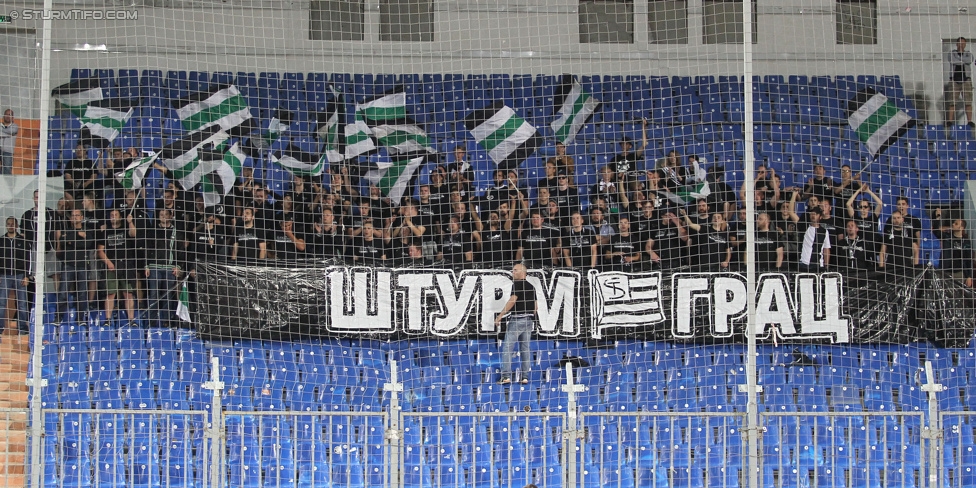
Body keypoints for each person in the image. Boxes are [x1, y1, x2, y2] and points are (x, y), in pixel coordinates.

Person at [141, 208, 185, 325]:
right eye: (161, 214)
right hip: (154, 267)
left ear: (171, 216)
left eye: (166, 214)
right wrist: (146, 266)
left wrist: (178, 267)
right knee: (154, 295)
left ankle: (167, 321)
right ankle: (151, 322)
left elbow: (180, 251)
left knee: (168, 296)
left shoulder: (177, 232)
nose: (163, 216)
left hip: (169, 268)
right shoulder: (152, 231)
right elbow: (147, 249)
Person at [495, 263, 536, 385]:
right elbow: (535, 307)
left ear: (523, 272)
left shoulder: (517, 284)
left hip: (517, 319)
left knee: (507, 348)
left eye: (515, 270)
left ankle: (506, 376)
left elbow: (513, 300)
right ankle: (525, 377)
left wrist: (500, 315)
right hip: (529, 320)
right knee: (525, 349)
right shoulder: (532, 287)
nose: (513, 272)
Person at [97, 209, 138, 325]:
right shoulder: (105, 232)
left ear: (120, 217)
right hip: (111, 265)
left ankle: (131, 320)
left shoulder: (126, 228)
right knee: (110, 293)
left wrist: (130, 222)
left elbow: (133, 234)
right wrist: (108, 263)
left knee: (128, 293)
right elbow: (100, 251)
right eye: (111, 215)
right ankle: (108, 320)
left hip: (126, 265)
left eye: (116, 215)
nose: (113, 217)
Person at [56, 209, 95, 313]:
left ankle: (81, 318)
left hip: (82, 265)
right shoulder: (66, 231)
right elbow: (63, 242)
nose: (74, 217)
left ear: (82, 217)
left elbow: (87, 244)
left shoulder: (88, 231)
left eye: (77, 215)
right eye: (73, 215)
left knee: (82, 294)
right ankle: (58, 316)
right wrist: (79, 236)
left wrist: (71, 241)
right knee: (63, 292)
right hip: (68, 265)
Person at [0, 217, 30, 333]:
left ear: (17, 226)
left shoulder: (23, 241)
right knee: (1, 303)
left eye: (13, 224)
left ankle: (22, 329)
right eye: (8, 224)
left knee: (22, 304)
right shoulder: (1, 241)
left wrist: (27, 275)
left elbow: (29, 259)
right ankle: (0, 328)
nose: (11, 226)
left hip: (20, 276)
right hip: (5, 276)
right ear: (6, 225)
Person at [934, 217, 975, 286]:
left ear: (961, 228)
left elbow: (969, 260)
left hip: (959, 273)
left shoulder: (966, 242)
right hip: (946, 272)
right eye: (953, 222)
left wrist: (969, 276)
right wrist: (937, 218)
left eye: (956, 224)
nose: (953, 224)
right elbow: (935, 231)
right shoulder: (947, 237)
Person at [879, 210, 918, 277]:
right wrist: (881, 269)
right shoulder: (887, 234)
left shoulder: (909, 233)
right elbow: (882, 252)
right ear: (891, 220)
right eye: (894, 218)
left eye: (898, 218)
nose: (896, 220)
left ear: (902, 219)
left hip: (907, 268)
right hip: (891, 268)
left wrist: (915, 268)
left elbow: (916, 251)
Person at [947, 36, 975, 126]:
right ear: (956, 44)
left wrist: (960, 60)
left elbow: (970, 60)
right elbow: (953, 61)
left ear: (965, 44)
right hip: (954, 80)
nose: (961, 45)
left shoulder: (968, 54)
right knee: (952, 102)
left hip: (966, 80)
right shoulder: (952, 53)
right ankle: (950, 121)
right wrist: (962, 61)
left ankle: (969, 121)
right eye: (959, 43)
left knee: (968, 102)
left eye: (963, 43)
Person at [797, 207, 831, 272]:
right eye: (811, 214)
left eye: (815, 214)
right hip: (804, 263)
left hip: (818, 264)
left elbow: (826, 249)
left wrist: (826, 266)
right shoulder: (804, 228)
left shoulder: (824, 231)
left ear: (820, 217)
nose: (813, 215)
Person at [0, 109, 18, 175]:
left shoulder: (15, 126)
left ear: (12, 117)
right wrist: (8, 135)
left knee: (7, 170)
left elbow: (12, 131)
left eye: (9, 115)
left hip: (8, 151)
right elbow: (9, 132)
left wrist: (1, 132)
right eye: (6, 114)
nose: (7, 116)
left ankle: (7, 185)